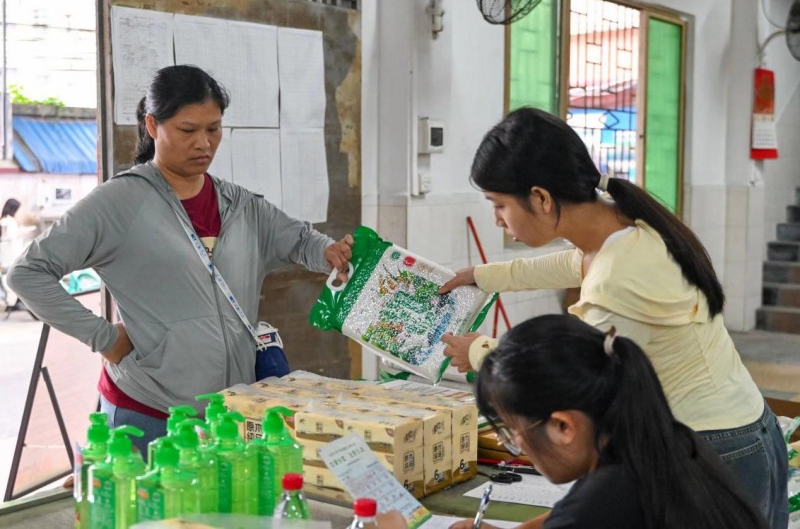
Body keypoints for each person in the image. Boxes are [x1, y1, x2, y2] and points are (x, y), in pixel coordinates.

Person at [438, 107, 787, 527]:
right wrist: (481, 276)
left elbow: (563, 377)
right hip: (749, 426)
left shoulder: (615, 282)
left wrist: (478, 351)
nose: (496, 218)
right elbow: (572, 263)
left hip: (713, 445)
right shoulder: (628, 228)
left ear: (541, 198)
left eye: (499, 204)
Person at [7, 65, 353, 457]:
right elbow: (27, 273)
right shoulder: (119, 203)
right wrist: (104, 338)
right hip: (149, 412)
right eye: (188, 131)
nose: (204, 143)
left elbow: (302, 239)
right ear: (153, 126)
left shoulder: (240, 205)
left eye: (214, 129)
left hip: (229, 414)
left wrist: (329, 252)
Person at [448, 315, 769, 529]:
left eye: (512, 431)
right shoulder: (670, 440)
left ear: (564, 427)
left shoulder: (602, 503)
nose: (516, 444)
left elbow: (587, 515)